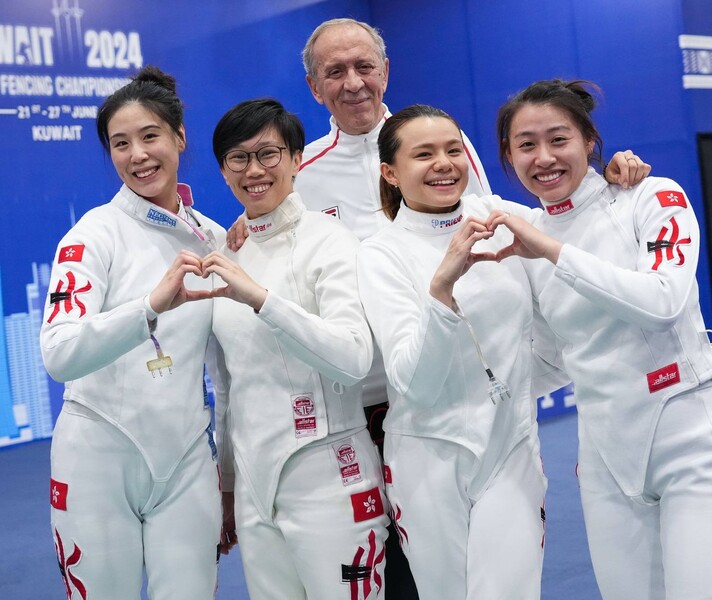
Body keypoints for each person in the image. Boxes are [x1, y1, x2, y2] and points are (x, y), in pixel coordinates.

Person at [226, 18, 649, 598]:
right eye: (336, 72)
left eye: (365, 67)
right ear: (314, 85)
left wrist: (612, 184)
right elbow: (272, 225)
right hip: (366, 413)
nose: (353, 83)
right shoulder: (305, 176)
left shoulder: (456, 159)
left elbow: (540, 213)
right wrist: (246, 231)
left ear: (386, 71)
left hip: (487, 420)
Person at [493, 78, 712, 600]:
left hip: (693, 444)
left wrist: (548, 249)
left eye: (558, 139)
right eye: (526, 145)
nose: (544, 157)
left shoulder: (651, 198)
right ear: (508, 156)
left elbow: (661, 303)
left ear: (590, 140)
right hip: (605, 459)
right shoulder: (531, 241)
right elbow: (551, 362)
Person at [357, 103, 571, 599]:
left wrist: (620, 181)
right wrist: (442, 286)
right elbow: (416, 383)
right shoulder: (379, 253)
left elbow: (578, 229)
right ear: (390, 172)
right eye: (424, 154)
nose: (444, 163)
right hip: (424, 460)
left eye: (453, 149)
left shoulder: (507, 219)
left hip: (511, 449)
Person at [40, 66, 225, 599]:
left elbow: (226, 368)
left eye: (150, 136)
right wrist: (148, 307)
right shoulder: (91, 236)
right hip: (97, 457)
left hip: (188, 459)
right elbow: (59, 353)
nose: (138, 155)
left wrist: (231, 473)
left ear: (179, 137)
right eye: (121, 144)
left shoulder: (211, 237)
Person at [203, 98, 389, 600]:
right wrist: (227, 483)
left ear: (295, 159)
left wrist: (262, 300)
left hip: (332, 474)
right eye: (238, 158)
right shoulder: (225, 254)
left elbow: (353, 358)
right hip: (254, 487)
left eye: (268, 154)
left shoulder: (331, 242)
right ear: (223, 170)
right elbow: (226, 387)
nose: (255, 170)